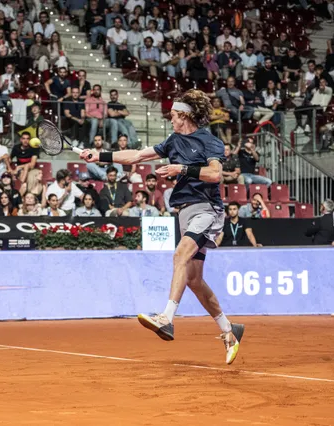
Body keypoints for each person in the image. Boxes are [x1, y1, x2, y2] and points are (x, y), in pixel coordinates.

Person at [80, 89, 245, 364]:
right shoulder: (173, 140)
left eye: (173, 116)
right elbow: (135, 156)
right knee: (193, 279)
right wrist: (99, 156)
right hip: (184, 213)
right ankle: (230, 330)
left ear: (186, 116)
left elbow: (215, 174)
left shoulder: (209, 141)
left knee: (180, 255)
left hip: (207, 209)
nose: (170, 119)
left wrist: (181, 170)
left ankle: (167, 318)